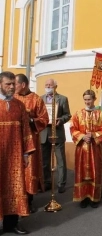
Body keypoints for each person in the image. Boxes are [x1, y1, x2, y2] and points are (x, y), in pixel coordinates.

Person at [0, 71, 35, 235]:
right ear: (0, 84)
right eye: (8, 84)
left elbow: (26, 130)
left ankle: (11, 224)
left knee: (15, 187)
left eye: (13, 83)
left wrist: (26, 154)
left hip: (15, 155)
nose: (12, 87)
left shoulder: (19, 105)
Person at [14, 74, 49, 214]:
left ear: (23, 85)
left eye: (15, 84)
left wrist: (31, 120)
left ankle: (29, 201)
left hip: (30, 142)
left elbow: (45, 119)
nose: (13, 87)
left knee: (29, 171)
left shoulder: (36, 99)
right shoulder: (13, 98)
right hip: (15, 141)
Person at [70, 90, 102, 208]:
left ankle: (94, 198)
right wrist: (82, 136)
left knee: (95, 172)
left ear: (94, 99)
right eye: (85, 99)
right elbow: (72, 128)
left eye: (89, 99)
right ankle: (83, 197)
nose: (87, 102)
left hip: (95, 148)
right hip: (82, 148)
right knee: (81, 172)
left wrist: (94, 135)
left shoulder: (100, 114)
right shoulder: (78, 114)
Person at [40, 78, 71, 193]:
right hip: (43, 133)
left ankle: (61, 183)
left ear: (55, 87)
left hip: (57, 132)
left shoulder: (62, 99)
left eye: (50, 85)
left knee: (60, 160)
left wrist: (61, 120)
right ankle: (47, 182)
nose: (48, 86)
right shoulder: (40, 99)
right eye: (46, 84)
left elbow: (68, 115)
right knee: (44, 161)